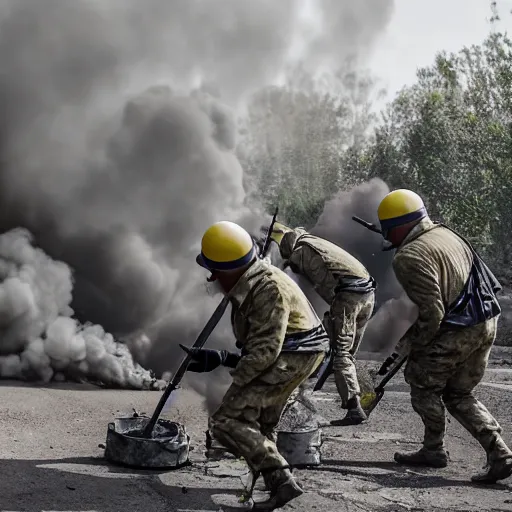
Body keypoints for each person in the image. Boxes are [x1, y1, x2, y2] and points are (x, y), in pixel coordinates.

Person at [184, 220, 330, 510]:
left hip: (295, 356)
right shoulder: (251, 278)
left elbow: (265, 353)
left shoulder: (268, 289)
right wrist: (222, 358)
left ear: (229, 270)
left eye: (214, 270)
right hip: (293, 352)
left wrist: (236, 387)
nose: (211, 278)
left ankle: (282, 480)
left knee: (227, 420)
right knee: (262, 420)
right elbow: (260, 344)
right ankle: (274, 483)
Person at [375, 188, 512, 484]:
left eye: (387, 230)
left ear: (396, 227)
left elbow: (433, 312)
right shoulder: (447, 234)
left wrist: (414, 344)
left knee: (422, 384)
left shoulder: (408, 255)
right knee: (459, 393)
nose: (386, 236)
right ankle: (500, 453)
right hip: (487, 321)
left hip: (459, 327)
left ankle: (433, 450)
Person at [269, 222, 376, 425]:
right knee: (344, 353)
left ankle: (355, 408)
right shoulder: (312, 242)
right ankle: (357, 398)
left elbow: (292, 285)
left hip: (348, 297)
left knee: (341, 355)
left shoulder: (301, 251)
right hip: (367, 295)